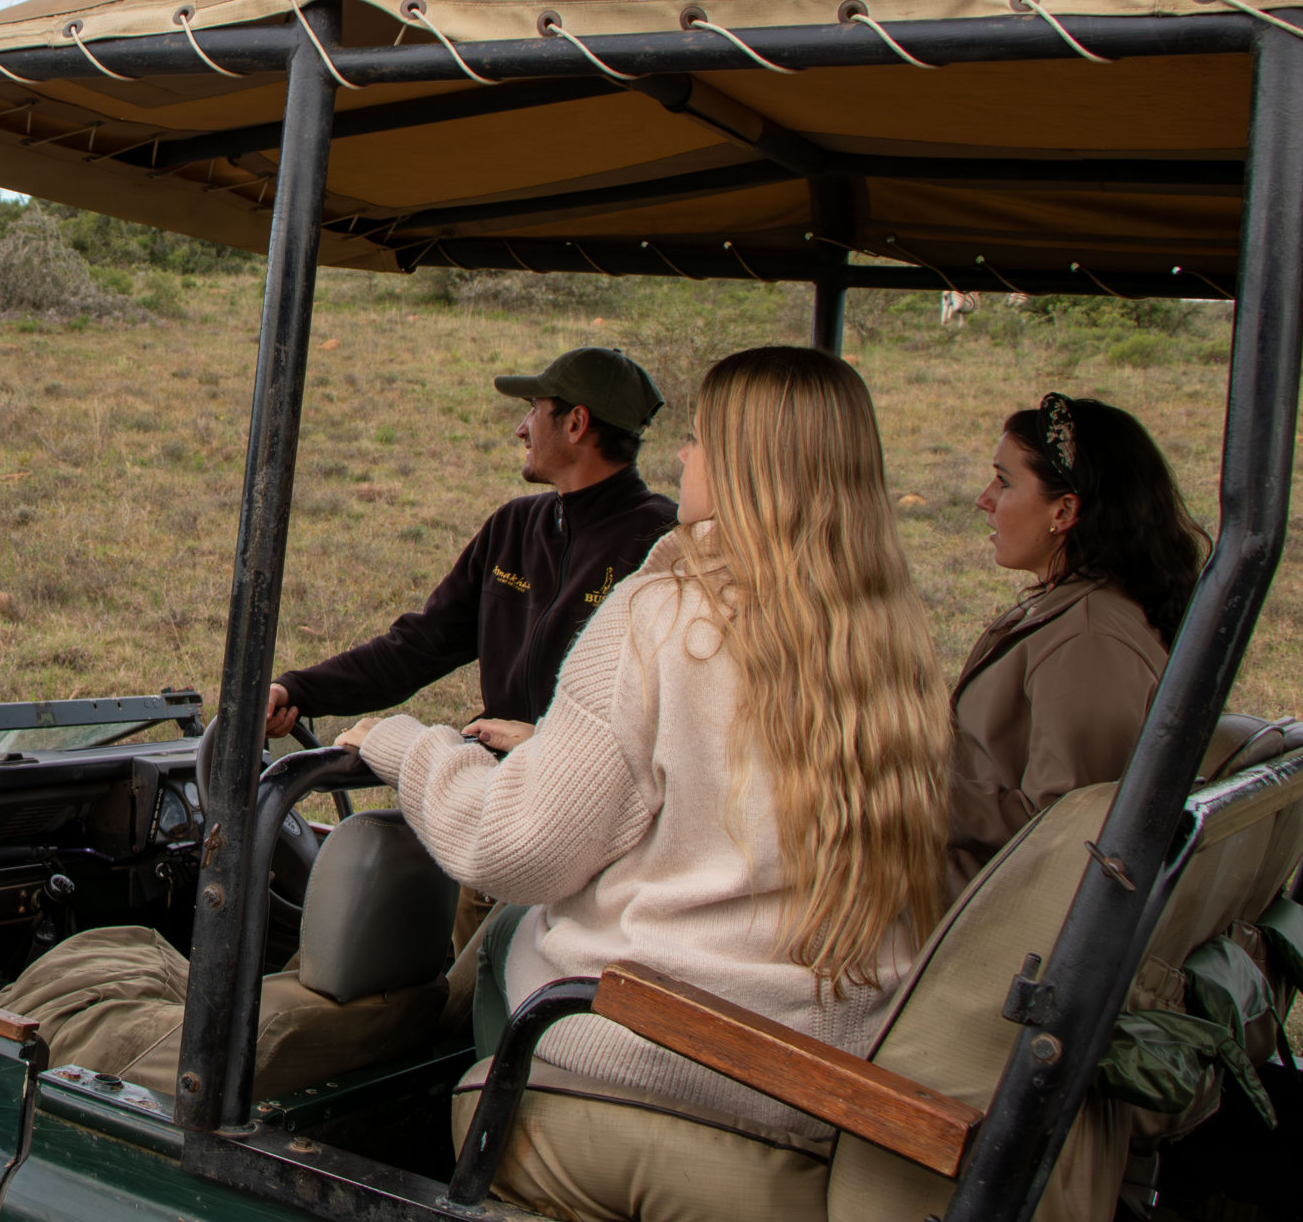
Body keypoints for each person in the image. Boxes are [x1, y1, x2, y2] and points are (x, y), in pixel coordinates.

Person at [336, 347, 952, 1219]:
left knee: (506, 959)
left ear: (744, 469)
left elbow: (510, 846)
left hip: (681, 1046)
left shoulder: (668, 611)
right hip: (830, 1055)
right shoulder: (887, 637)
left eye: (700, 442)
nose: (685, 460)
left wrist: (405, 745)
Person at [266, 346, 676, 752]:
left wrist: (546, 749)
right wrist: (297, 689)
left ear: (576, 423)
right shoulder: (514, 525)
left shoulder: (665, 543)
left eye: (534, 408)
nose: (521, 428)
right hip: (496, 783)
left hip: (588, 791)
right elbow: (419, 646)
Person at [949, 393, 1209, 890]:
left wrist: (903, 792)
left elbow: (1061, 831)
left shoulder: (1089, 639)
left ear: (1065, 510)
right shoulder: (1073, 608)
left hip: (978, 907)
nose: (984, 498)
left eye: (1004, 482)